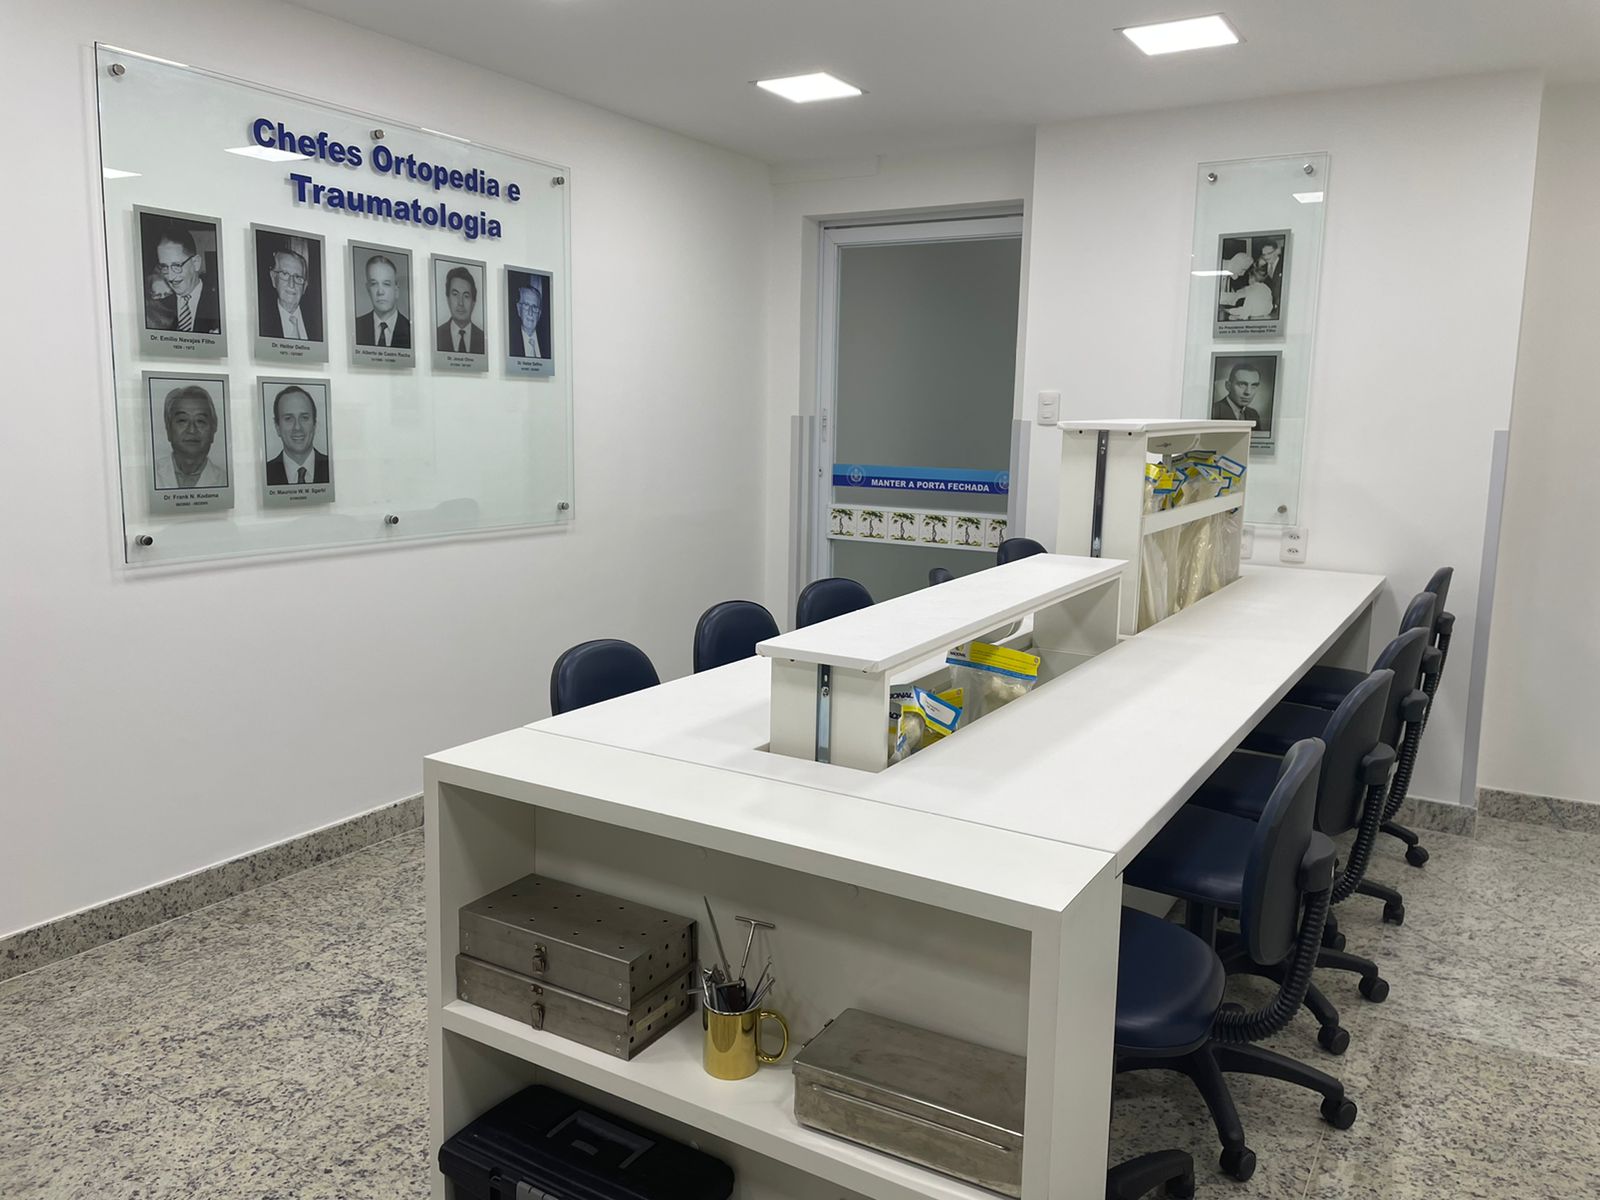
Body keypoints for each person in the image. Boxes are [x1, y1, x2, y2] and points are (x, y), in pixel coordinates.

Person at [144, 226, 220, 334]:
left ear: (196, 263)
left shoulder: (218, 303)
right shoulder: (158, 308)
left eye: (177, 266)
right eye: (164, 267)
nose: (170, 277)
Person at [153, 384, 228, 489]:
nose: (192, 430)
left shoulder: (225, 480)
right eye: (182, 420)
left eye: (200, 421)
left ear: (213, 430)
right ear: (168, 429)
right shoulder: (150, 474)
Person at [264, 385, 330, 485]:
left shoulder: (333, 468)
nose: (297, 427)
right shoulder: (265, 474)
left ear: (314, 424)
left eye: (304, 417)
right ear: (277, 427)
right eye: (288, 418)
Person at [261, 247, 320, 341]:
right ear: (273, 278)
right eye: (285, 274)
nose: (291, 284)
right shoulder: (261, 321)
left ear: (304, 287)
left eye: (298, 277)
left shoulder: (318, 321)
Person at [354, 254, 411, 348]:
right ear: (368, 289)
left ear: (396, 289)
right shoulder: (355, 327)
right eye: (374, 284)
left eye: (386, 284)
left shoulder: (411, 330)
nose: (380, 292)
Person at [436, 266, 485, 353]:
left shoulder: (483, 338)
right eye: (455, 294)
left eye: (466, 296)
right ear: (448, 299)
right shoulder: (436, 335)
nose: (461, 303)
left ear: (473, 302)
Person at [1211, 362, 1266, 429]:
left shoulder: (1253, 414)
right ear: (1228, 386)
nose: (1248, 392)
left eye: (1254, 386)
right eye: (1242, 385)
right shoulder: (1214, 411)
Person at [510, 280, 544, 359]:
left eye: (535, 307)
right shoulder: (510, 341)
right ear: (519, 309)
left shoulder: (548, 342)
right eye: (526, 305)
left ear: (539, 314)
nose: (530, 312)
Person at [1258, 238, 1285, 315]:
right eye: (1264, 254)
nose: (1266, 257)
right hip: (1264, 309)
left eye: (1269, 253)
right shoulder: (1261, 267)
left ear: (1277, 251)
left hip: (1280, 309)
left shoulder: (1284, 265)